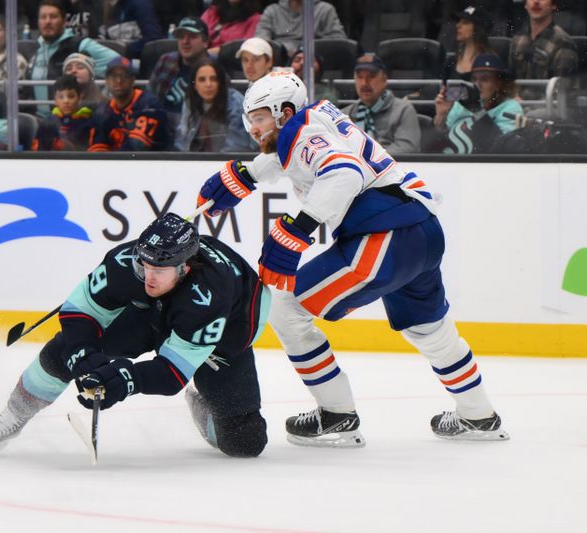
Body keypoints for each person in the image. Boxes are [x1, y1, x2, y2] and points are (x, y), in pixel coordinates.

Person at [196, 71, 509, 447]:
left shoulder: (303, 133)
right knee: (430, 329)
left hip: (382, 237)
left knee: (286, 308)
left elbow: (344, 172)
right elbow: (292, 158)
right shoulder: (316, 118)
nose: (253, 128)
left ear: (285, 112)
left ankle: (337, 414)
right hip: (420, 230)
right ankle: (478, 414)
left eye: (260, 117)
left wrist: (300, 227)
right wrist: (245, 175)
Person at [0, 212, 271, 459]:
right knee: (66, 349)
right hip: (151, 315)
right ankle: (12, 416)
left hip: (225, 335)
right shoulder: (127, 262)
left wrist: (125, 379)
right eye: (144, 265)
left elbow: (171, 373)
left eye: (159, 270)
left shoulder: (208, 297)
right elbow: (78, 313)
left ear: (185, 268)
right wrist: (84, 356)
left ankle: (204, 407)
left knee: (245, 442)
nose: (148, 276)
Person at [26, 0, 120, 118]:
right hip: (38, 119)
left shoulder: (80, 44)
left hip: (73, 119)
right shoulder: (35, 48)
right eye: (43, 17)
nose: (47, 21)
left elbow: (119, 63)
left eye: (53, 17)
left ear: (64, 21)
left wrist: (89, 75)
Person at [434, 53, 522, 154]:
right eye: (474, 79)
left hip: (484, 166)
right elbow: (439, 141)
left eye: (484, 79)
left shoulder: (511, 107)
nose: (477, 84)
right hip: (449, 163)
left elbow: (503, 147)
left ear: (499, 84)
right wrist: (440, 117)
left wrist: (477, 111)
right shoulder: (459, 105)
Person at [342, 54, 421, 154]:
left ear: (384, 80)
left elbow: (408, 148)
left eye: (371, 76)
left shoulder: (403, 110)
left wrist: (370, 160)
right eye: (360, 77)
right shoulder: (345, 115)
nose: (364, 83)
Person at [89, 56, 170, 151]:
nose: (119, 81)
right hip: (115, 162)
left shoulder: (149, 105)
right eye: (114, 76)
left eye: (124, 76)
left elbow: (136, 147)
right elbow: (97, 147)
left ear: (132, 80)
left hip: (151, 162)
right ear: (106, 81)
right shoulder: (103, 111)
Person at [148, 16, 211, 133]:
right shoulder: (166, 60)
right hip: (161, 127)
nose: (185, 42)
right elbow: (150, 98)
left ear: (205, 42)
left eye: (192, 37)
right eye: (181, 37)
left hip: (195, 132)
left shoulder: (213, 69)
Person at [175, 58, 251, 152]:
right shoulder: (190, 101)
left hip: (224, 161)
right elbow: (182, 141)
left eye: (213, 79)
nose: (208, 84)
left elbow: (237, 147)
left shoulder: (236, 103)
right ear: (195, 85)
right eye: (202, 80)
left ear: (220, 83)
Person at [509, 0, 578, 98]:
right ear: (525, 4)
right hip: (517, 107)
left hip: (547, 108)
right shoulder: (517, 39)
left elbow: (561, 92)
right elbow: (510, 82)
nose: (536, 2)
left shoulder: (563, 42)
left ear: (553, 5)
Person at [255, 0, 345, 57]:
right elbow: (261, 39)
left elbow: (338, 40)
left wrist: (304, 50)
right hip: (280, 62)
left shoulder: (325, 10)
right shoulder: (272, 11)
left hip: (313, 60)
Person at [35, 74, 97, 150]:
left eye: (71, 96)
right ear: (55, 100)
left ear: (79, 98)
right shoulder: (47, 123)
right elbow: (39, 152)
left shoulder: (91, 122)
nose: (66, 101)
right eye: (60, 97)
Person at [99, 0, 164, 59]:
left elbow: (153, 38)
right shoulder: (119, 6)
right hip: (120, 57)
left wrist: (126, 50)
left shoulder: (140, 4)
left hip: (138, 59)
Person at [444, 5, 494, 80]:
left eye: (465, 22)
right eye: (459, 21)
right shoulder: (450, 62)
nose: (458, 25)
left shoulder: (490, 62)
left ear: (478, 28)